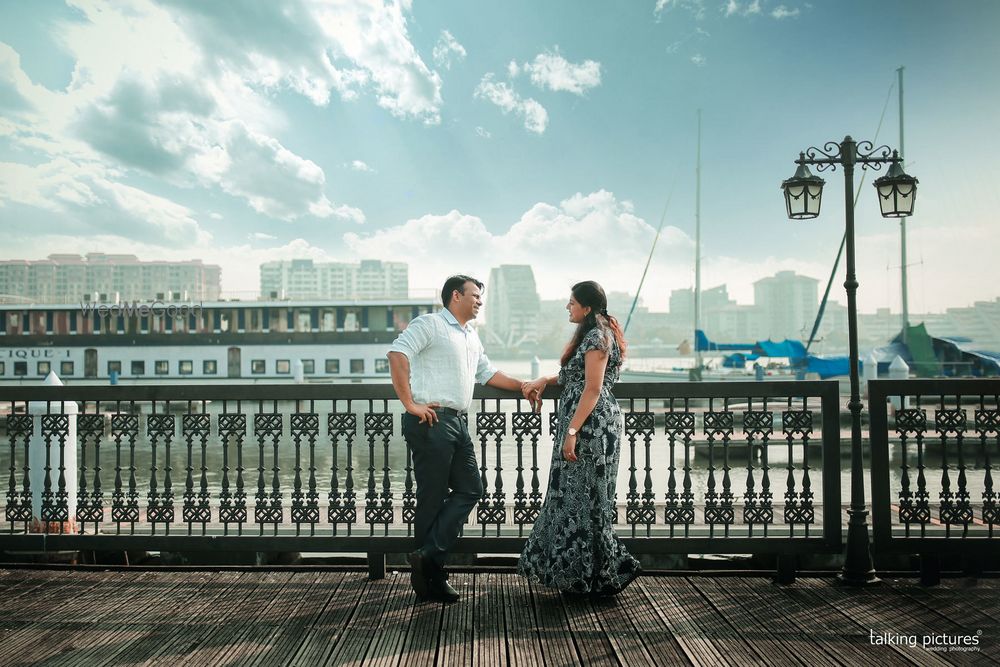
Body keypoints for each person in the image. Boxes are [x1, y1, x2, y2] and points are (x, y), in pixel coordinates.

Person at [388, 274, 532, 603]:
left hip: (457, 422)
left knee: (471, 488)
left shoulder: (470, 335)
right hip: (431, 420)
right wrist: (410, 403)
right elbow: (398, 355)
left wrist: (524, 386)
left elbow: (489, 374)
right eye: (475, 295)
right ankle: (430, 579)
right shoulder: (431, 325)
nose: (480, 301)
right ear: (456, 296)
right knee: (433, 497)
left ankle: (427, 555)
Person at [517, 280, 641, 596]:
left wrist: (572, 432)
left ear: (586, 306)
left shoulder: (598, 336)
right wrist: (544, 379)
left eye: (571, 302)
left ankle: (604, 576)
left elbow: (593, 388)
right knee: (573, 500)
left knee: (589, 501)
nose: (567, 307)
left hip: (592, 428)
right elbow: (574, 376)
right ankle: (579, 577)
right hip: (582, 425)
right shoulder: (589, 335)